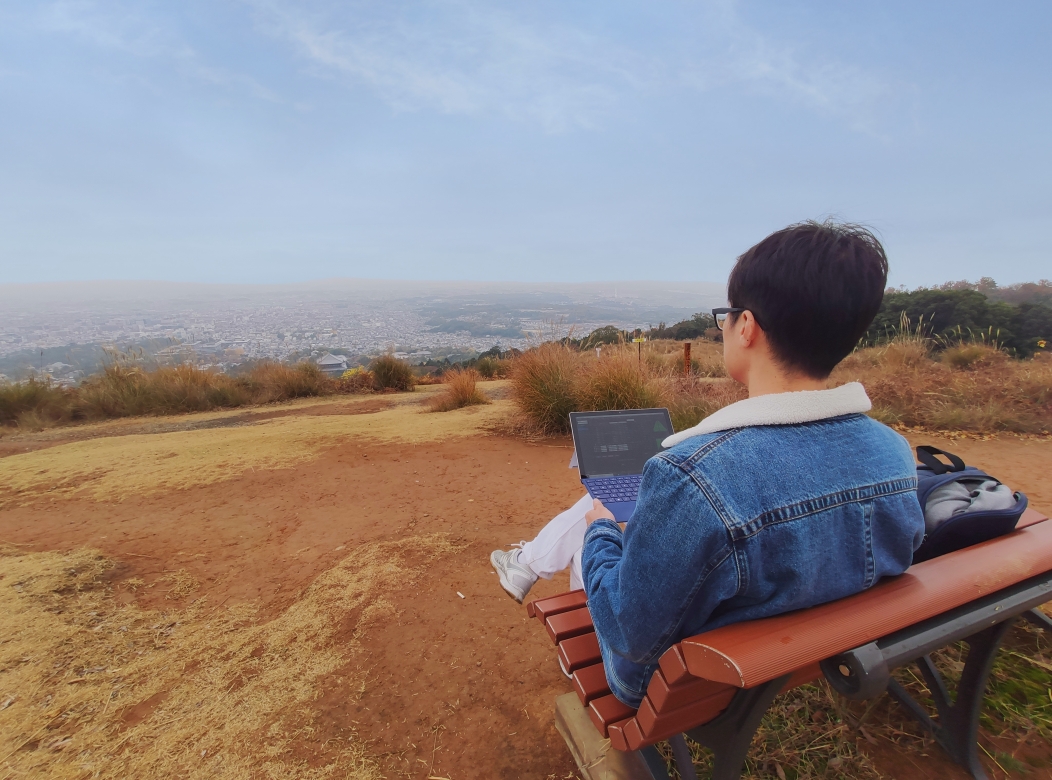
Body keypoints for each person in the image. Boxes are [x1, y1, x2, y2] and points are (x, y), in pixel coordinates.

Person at [490, 220, 925, 707]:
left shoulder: (694, 477)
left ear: (747, 326)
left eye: (727, 315)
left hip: (684, 680)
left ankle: (536, 561)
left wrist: (601, 534)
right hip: (803, 648)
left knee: (596, 528)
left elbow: (631, 636)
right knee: (608, 519)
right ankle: (537, 556)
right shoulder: (892, 450)